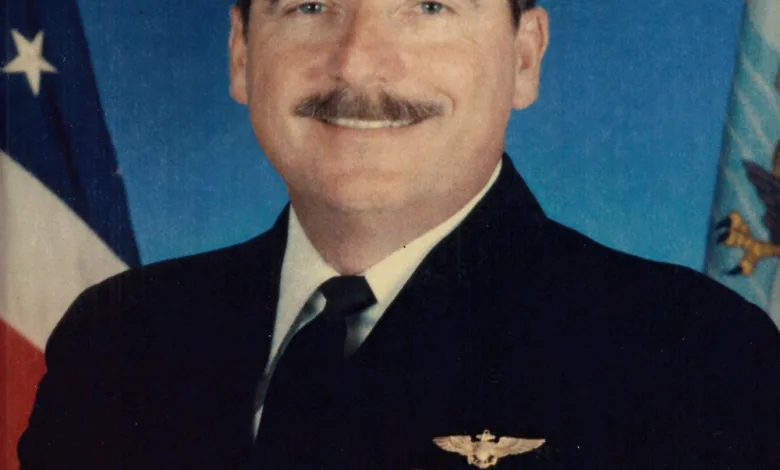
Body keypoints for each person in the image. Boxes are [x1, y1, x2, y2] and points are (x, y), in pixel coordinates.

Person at [17, 0, 780, 468]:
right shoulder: (117, 340)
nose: (359, 62)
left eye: (428, 5)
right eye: (310, 5)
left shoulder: (691, 355)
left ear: (524, 55)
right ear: (243, 52)